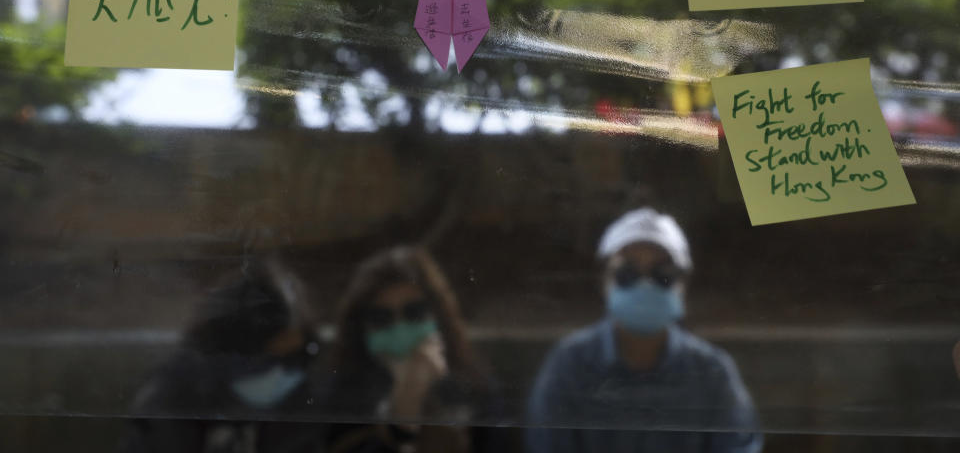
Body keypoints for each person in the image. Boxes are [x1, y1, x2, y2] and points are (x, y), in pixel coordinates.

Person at [526, 208, 763, 453]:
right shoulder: (569, 365)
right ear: (604, 280)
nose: (645, 285)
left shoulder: (713, 372)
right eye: (627, 273)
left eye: (663, 274)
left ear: (684, 283)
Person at [121, 261, 324, 453]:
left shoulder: (300, 405)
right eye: (270, 361)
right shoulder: (170, 403)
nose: (284, 374)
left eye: (295, 359)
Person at [322, 246, 499, 453]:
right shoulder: (345, 397)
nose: (400, 327)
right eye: (382, 318)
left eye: (414, 312)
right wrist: (402, 416)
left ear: (438, 315)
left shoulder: (473, 385)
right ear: (361, 327)